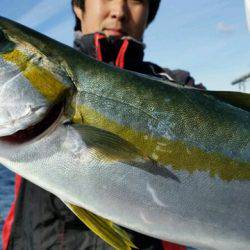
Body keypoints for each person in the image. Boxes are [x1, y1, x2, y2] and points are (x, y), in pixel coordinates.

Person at [2, 0, 204, 249]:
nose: (119, 11)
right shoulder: (50, 80)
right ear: (79, 7)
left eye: (137, 0)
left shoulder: (182, 89)